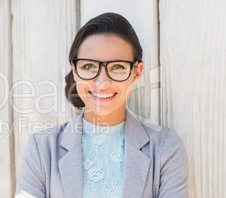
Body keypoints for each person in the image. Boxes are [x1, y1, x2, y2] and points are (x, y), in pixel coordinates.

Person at [15, 12, 189, 198]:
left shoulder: (165, 147)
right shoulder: (42, 148)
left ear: (136, 73)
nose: (102, 82)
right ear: (75, 70)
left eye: (118, 67)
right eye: (89, 66)